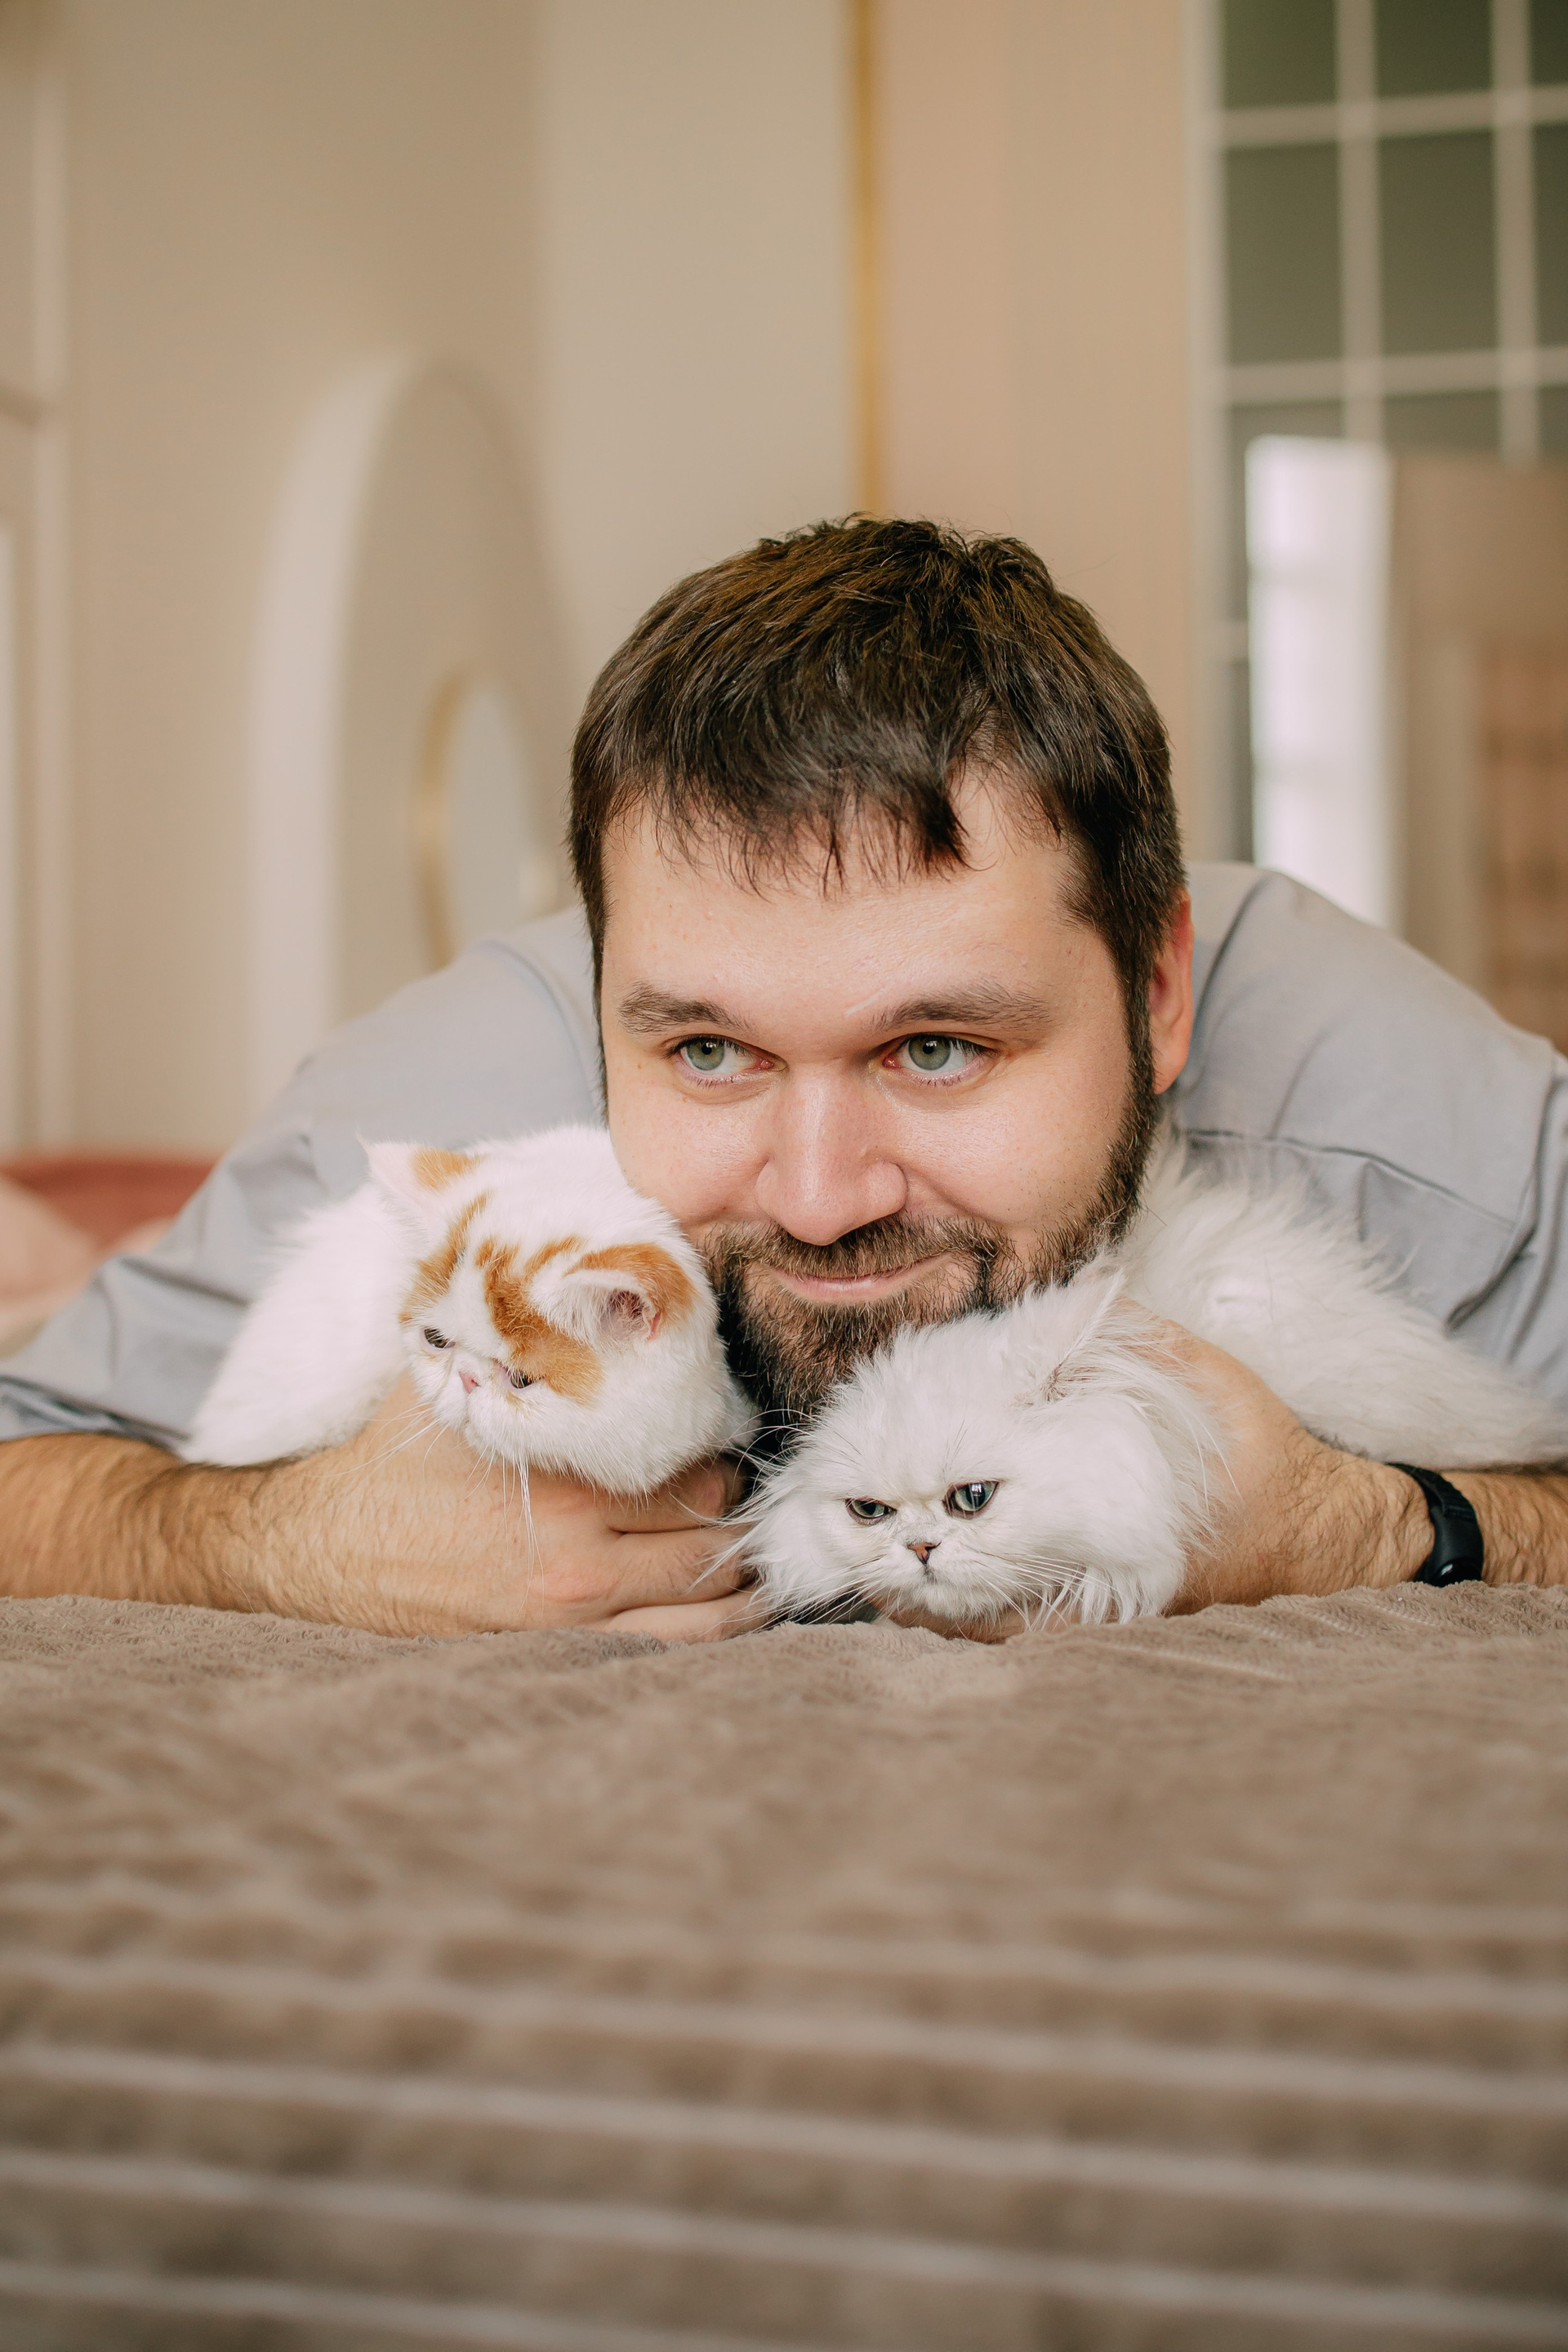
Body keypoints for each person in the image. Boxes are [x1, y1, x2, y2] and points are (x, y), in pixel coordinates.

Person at [2, 519, 1566, 1638]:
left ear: (1158, 996)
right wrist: (273, 1541)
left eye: (937, 1049)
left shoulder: (1379, 1106)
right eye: (709, 1053)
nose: (819, 1203)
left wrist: (1389, 1522)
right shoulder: (458, 1094)